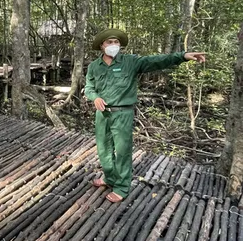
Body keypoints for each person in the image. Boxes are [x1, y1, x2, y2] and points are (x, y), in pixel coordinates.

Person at [84, 28, 206, 203]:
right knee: (104, 150)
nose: (113, 45)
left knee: (123, 152)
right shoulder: (94, 66)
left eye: (116, 42)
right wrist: (94, 97)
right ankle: (110, 178)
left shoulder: (131, 61)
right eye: (109, 42)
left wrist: (182, 56)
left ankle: (122, 187)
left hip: (122, 113)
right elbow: (89, 87)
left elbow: (157, 61)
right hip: (102, 114)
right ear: (102, 45)